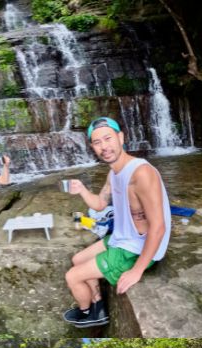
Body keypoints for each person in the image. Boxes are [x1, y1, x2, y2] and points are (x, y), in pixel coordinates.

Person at [62, 116, 172, 327]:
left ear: (120, 138)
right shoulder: (113, 173)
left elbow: (158, 227)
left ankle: (88, 315)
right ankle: (98, 307)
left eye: (108, 138)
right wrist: (82, 190)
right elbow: (100, 204)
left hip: (136, 249)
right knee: (77, 259)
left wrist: (137, 270)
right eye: (97, 142)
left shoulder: (141, 173)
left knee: (73, 277)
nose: (104, 147)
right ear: (93, 147)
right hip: (122, 237)